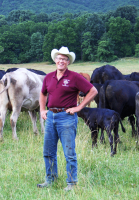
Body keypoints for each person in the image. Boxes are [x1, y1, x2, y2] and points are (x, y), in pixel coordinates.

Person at [37, 46, 98, 191]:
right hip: (51, 116)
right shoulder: (48, 77)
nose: (61, 61)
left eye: (64, 59)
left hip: (66, 117)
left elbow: (93, 91)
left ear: (68, 62)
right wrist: (42, 109)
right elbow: (43, 94)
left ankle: (71, 183)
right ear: (55, 60)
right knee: (48, 151)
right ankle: (50, 179)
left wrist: (78, 107)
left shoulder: (74, 77)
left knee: (69, 152)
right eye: (59, 58)